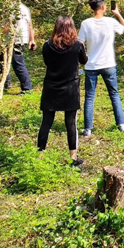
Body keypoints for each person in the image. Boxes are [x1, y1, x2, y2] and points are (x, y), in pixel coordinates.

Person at [38, 16, 87, 166]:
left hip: (51, 87)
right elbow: (84, 61)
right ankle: (73, 158)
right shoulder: (78, 45)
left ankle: (39, 155)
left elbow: (47, 63)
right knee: (70, 123)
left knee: (46, 122)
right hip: (70, 89)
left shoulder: (47, 45)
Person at [78, 0, 124, 137]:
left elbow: (80, 43)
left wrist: (81, 60)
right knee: (114, 94)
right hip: (108, 64)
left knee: (89, 96)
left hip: (91, 65)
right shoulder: (110, 22)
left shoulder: (85, 23)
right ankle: (122, 125)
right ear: (102, 7)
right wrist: (118, 13)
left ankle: (88, 129)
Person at [0, 2, 37, 95]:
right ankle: (6, 83)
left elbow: (7, 26)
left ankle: (27, 89)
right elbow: (30, 24)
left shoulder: (11, 7)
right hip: (21, 39)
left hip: (14, 40)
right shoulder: (24, 7)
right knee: (1, 60)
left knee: (18, 64)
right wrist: (32, 39)